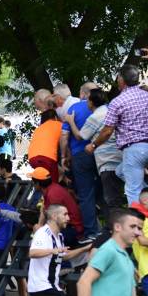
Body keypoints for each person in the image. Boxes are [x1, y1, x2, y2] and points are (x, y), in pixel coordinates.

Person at [88, 64, 148, 205]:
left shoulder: (118, 102)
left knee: (132, 191)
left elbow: (107, 130)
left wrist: (93, 145)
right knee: (120, 172)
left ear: (121, 80)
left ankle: (138, 224)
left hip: (135, 150)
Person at [71, 89, 125, 213]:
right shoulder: (110, 112)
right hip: (121, 157)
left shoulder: (95, 117)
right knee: (115, 195)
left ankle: (117, 227)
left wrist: (70, 121)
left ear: (91, 102)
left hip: (107, 162)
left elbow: (80, 136)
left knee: (112, 200)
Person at [61, 83, 101, 238]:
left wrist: (64, 156)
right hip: (103, 153)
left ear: (83, 94)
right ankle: (112, 230)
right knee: (108, 193)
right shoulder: (106, 107)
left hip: (80, 155)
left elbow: (64, 136)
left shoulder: (74, 109)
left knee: (85, 194)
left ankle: (91, 232)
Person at [29, 167, 88, 247]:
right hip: (68, 227)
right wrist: (39, 225)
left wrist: (39, 230)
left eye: (33, 182)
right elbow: (44, 209)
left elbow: (56, 221)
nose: (33, 184)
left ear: (38, 184)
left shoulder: (53, 194)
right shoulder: (51, 189)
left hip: (72, 229)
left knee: (38, 239)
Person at [28, 110, 63, 183]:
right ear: (55, 117)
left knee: (41, 183)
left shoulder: (38, 129)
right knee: (53, 184)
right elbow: (65, 141)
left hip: (32, 159)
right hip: (48, 159)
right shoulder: (59, 124)